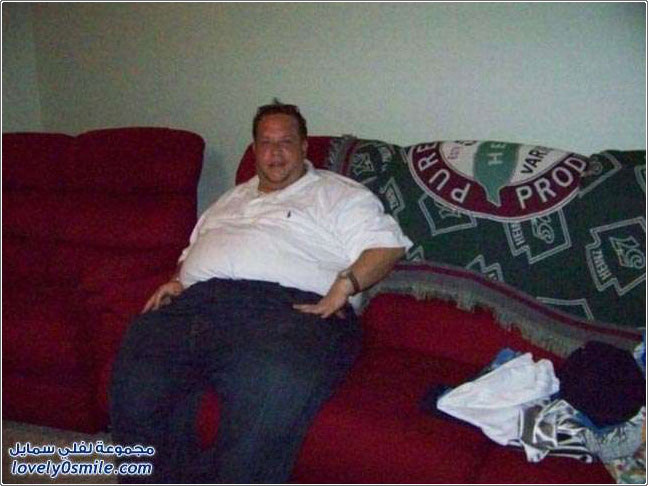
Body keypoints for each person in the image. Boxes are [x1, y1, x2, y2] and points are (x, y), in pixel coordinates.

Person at [109, 101, 413, 484]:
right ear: (254, 150)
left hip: (288, 310)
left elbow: (386, 246)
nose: (275, 152)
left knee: (270, 382)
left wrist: (346, 284)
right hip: (202, 303)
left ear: (304, 147)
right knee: (139, 363)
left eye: (286, 142)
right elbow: (194, 250)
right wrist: (178, 280)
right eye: (266, 143)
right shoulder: (230, 199)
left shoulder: (337, 194)